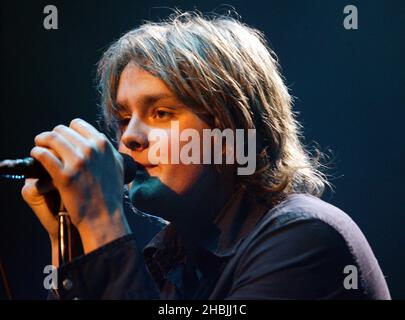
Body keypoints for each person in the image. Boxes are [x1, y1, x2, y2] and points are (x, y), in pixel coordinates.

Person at [21, 11, 390, 299]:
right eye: (122, 118)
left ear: (232, 131)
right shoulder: (170, 258)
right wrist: (67, 237)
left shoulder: (305, 239)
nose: (128, 138)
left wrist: (102, 222)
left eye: (160, 113)